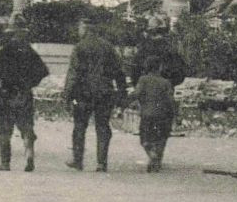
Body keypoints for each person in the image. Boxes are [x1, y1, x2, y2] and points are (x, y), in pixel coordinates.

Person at [64, 22, 126, 172]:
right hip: (104, 92)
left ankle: (78, 161)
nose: (78, 31)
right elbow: (119, 72)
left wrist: (67, 96)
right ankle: (101, 163)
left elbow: (73, 75)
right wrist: (122, 93)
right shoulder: (108, 47)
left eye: (80, 28)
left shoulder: (79, 47)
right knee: (103, 126)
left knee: (79, 126)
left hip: (83, 92)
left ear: (85, 30)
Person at [0, 26, 48, 171]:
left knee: (5, 130)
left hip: (5, 95)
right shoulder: (29, 52)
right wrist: (29, 84)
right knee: (26, 126)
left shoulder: (3, 53)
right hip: (24, 94)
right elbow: (42, 72)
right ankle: (29, 153)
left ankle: (5, 163)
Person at [133, 55, 176, 172]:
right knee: (161, 138)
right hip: (163, 115)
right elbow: (170, 99)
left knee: (145, 139)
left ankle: (151, 154)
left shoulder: (143, 80)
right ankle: (157, 160)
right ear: (160, 68)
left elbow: (136, 93)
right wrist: (175, 113)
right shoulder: (166, 82)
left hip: (147, 114)